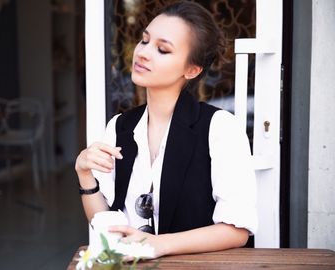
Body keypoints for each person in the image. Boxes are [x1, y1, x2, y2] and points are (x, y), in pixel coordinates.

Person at [75, 1, 257, 258]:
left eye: (162, 49)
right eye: (144, 40)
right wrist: (85, 175)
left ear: (192, 69)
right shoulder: (120, 126)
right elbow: (106, 222)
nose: (143, 52)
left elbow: (236, 231)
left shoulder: (220, 128)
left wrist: (159, 244)